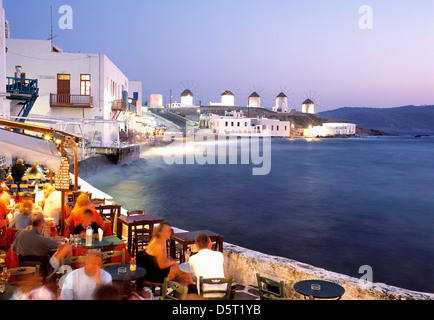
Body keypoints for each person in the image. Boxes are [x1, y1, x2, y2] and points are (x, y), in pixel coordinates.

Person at [12, 214, 73, 278]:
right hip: (44, 270)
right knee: (67, 246)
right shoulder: (43, 240)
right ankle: (66, 276)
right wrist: (47, 235)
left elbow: (13, 250)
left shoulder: (21, 233)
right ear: (41, 224)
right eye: (45, 222)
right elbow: (60, 246)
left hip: (24, 269)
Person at [137, 222, 193, 287]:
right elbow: (162, 265)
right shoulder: (159, 246)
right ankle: (193, 288)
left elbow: (164, 259)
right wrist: (173, 262)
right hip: (155, 276)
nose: (169, 232)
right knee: (185, 268)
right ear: (160, 233)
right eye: (166, 231)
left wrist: (172, 262)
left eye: (169, 230)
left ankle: (186, 290)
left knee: (183, 277)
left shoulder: (158, 239)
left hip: (151, 272)